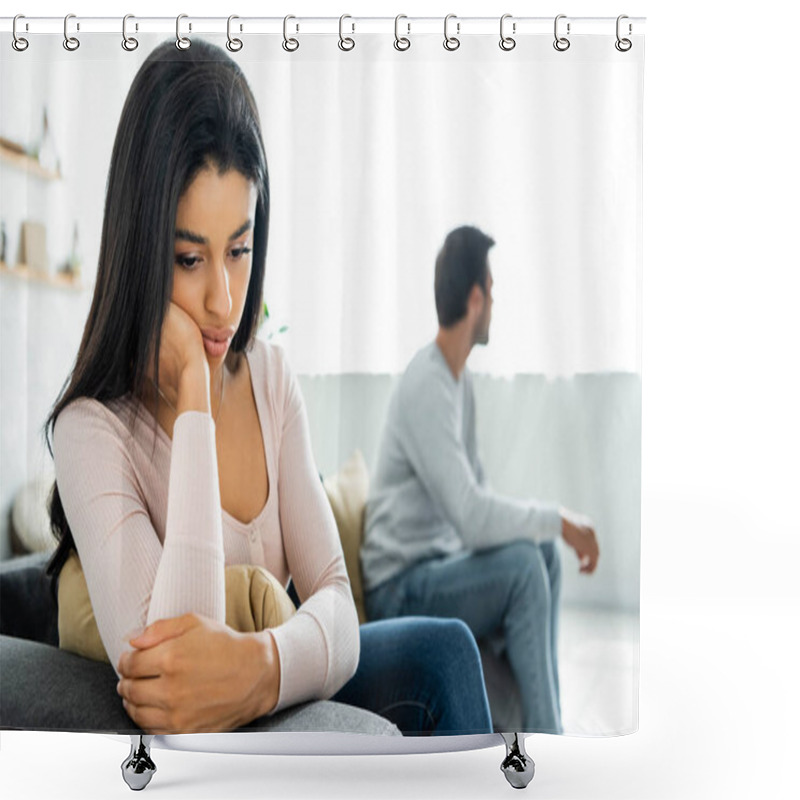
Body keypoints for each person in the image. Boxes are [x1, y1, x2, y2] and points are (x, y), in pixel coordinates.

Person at [43, 40, 491, 737]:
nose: (223, 300)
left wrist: (262, 669)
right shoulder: (91, 430)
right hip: (212, 734)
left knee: (448, 651)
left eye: (240, 250)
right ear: (139, 247)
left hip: (275, 676)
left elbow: (337, 600)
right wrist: (194, 392)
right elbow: (177, 675)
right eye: (189, 258)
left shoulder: (271, 379)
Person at [360, 225, 600, 734]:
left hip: (437, 569)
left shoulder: (457, 382)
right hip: (401, 587)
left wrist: (549, 532)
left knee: (542, 558)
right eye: (492, 291)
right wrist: (557, 518)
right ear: (475, 297)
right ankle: (546, 743)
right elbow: (472, 517)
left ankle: (539, 722)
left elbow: (479, 501)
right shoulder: (427, 382)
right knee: (522, 567)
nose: (494, 302)